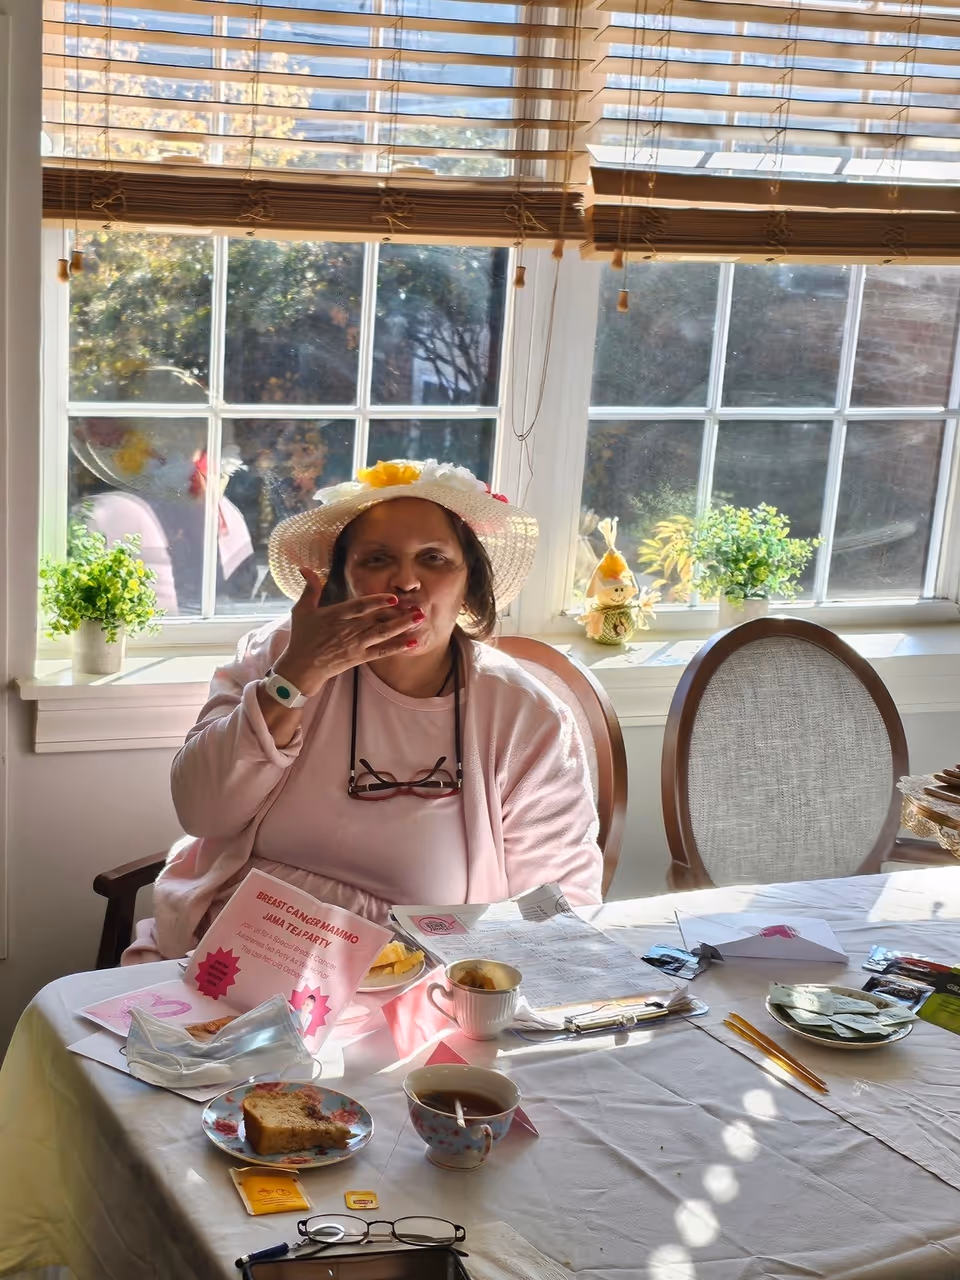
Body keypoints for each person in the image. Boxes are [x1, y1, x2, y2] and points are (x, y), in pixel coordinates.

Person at [124, 459, 603, 963]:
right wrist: (295, 679)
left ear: (468, 584)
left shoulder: (526, 715)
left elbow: (555, 911)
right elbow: (201, 810)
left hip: (423, 978)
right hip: (231, 951)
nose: (406, 580)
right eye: (377, 559)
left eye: (434, 559)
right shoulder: (277, 656)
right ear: (342, 580)